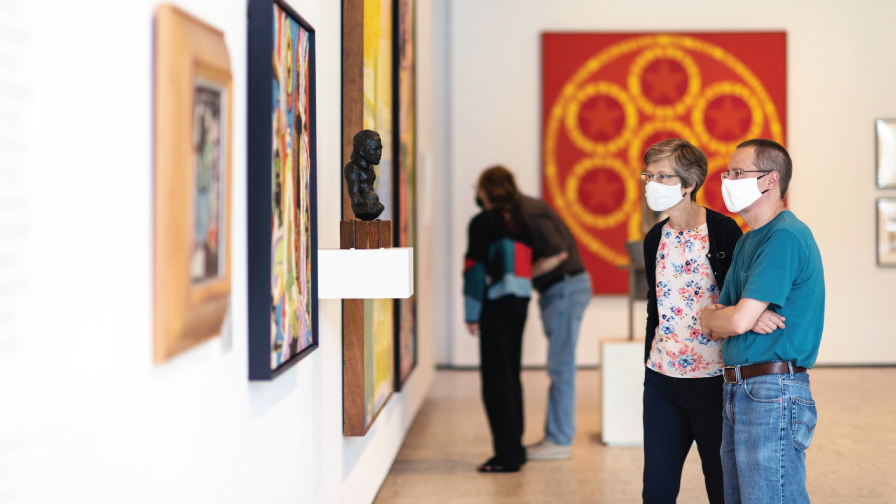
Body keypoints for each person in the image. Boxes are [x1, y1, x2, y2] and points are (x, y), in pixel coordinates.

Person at [699, 139, 824, 504]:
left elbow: (732, 321)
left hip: (772, 391)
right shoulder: (748, 241)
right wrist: (731, 316)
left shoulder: (783, 235)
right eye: (728, 173)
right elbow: (711, 321)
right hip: (738, 388)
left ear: (770, 180)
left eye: (738, 173)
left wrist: (736, 317)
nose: (728, 181)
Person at [640, 139, 743, 504]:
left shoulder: (725, 232)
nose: (652, 183)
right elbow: (656, 305)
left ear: (689, 183)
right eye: (649, 175)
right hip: (662, 379)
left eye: (663, 176)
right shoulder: (655, 237)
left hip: (713, 380)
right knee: (657, 487)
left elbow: (740, 299)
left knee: (721, 483)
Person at [463, 166, 534, 473]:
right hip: (520, 302)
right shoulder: (520, 221)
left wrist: (471, 312)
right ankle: (515, 448)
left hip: (494, 305)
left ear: (485, 190)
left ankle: (506, 456)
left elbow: (474, 269)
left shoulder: (483, 222)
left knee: (495, 381)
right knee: (510, 376)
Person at [517, 187, 592, 461]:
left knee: (561, 367)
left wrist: (521, 275)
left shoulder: (527, 211)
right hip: (562, 290)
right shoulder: (531, 208)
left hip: (564, 289)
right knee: (561, 365)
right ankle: (557, 436)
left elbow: (557, 254)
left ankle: (559, 439)